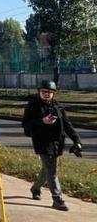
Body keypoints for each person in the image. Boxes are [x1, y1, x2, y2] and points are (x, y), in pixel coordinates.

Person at [21, 80, 82, 211]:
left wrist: (77, 141)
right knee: (52, 170)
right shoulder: (33, 105)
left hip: (57, 143)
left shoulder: (58, 107)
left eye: (50, 92)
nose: (47, 94)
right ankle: (57, 199)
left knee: (47, 169)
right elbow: (25, 124)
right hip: (41, 142)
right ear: (39, 92)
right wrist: (42, 121)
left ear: (54, 93)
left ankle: (35, 188)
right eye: (44, 91)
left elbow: (67, 125)